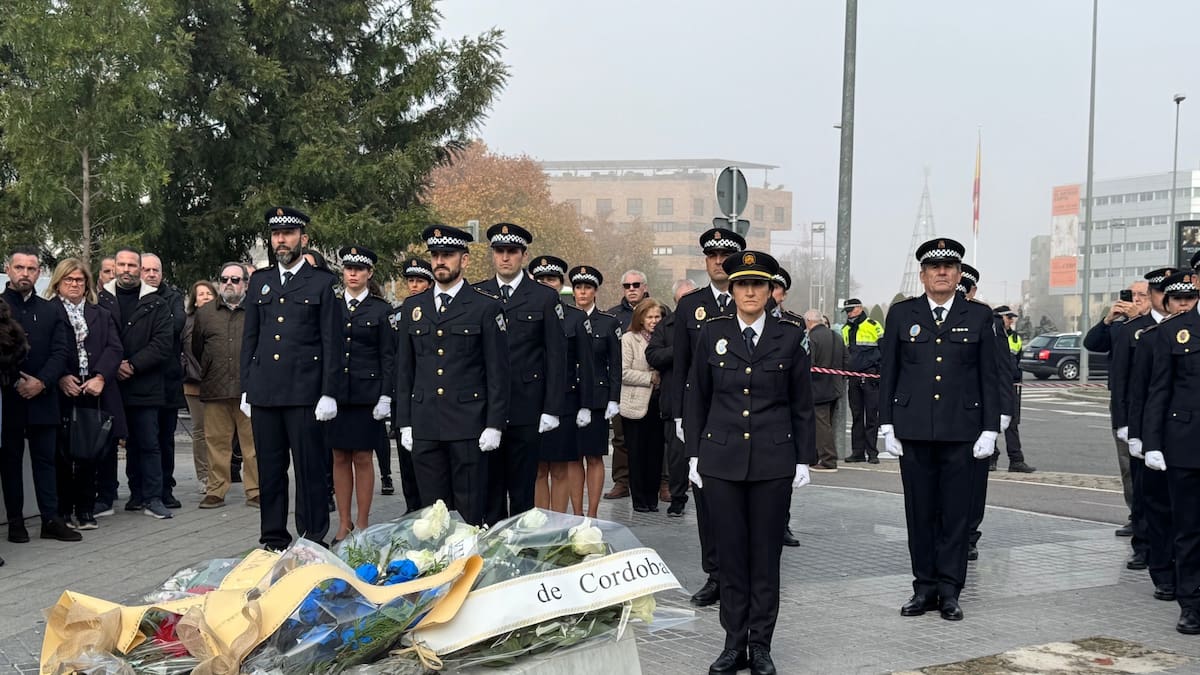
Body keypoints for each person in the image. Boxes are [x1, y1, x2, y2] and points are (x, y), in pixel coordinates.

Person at [684, 250, 815, 675]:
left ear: (771, 290)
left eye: (758, 284)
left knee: (764, 558)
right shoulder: (713, 333)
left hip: (772, 461)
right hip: (721, 460)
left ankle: (760, 645)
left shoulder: (790, 336)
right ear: (733, 289)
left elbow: (801, 403)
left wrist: (803, 459)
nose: (750, 291)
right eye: (743, 284)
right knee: (731, 558)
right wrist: (693, 454)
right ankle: (732, 643)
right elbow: (697, 396)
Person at [880, 237, 1000, 622]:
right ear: (923, 275)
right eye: (935, 267)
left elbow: (990, 377)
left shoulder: (980, 317)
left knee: (955, 516)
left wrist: (989, 429)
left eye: (949, 267)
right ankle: (924, 588)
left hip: (962, 431)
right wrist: (886, 424)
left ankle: (950, 591)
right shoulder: (901, 314)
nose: (942, 272)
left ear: (959, 274)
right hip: (913, 429)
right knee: (919, 514)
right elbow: (890, 373)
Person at [394, 225, 509, 526]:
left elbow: (497, 371)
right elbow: (405, 370)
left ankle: (469, 568)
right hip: (426, 422)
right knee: (432, 514)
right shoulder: (413, 307)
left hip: (468, 424)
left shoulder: (485, 306)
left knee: (470, 510)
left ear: (465, 260)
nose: (440, 261)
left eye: (448, 255)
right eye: (435, 255)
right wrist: (404, 422)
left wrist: (494, 424)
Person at [241, 207, 340, 549]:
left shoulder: (323, 283)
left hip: (305, 392)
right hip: (266, 391)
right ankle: (272, 537)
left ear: (303, 238)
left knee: (310, 469)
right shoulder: (260, 281)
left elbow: (332, 340)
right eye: (275, 235)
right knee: (270, 469)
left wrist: (329, 391)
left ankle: (312, 536)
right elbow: (250, 337)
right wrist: (246, 386)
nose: (281, 241)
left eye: (288, 234)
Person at [474, 223, 566, 524]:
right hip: (486, 408)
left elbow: (556, 356)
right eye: (499, 251)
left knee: (523, 489)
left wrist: (552, 408)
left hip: (526, 405)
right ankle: (491, 551)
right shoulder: (478, 294)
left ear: (523, 255)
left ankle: (521, 552)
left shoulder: (543, 297)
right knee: (489, 487)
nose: (505, 258)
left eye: (511, 251)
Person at [673, 227, 745, 608]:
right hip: (703, 419)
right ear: (705, 261)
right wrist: (680, 418)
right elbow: (681, 368)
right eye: (712, 256)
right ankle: (714, 574)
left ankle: (740, 575)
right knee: (705, 500)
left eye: (725, 257)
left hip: (743, 418)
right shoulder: (691, 306)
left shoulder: (751, 301)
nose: (718, 262)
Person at [1, 247, 78, 543]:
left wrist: (42, 382)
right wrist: (17, 380)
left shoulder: (50, 310)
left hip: (43, 398)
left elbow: (62, 351)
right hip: (8, 399)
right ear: (9, 270)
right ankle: (16, 522)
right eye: (19, 267)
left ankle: (50, 520)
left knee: (46, 461)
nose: (25, 274)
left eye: (31, 269)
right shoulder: (0, 306)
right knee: (10, 463)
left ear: (39, 273)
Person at [1140, 271, 1200, 634]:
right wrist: (1153, 443)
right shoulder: (1175, 330)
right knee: (1189, 529)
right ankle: (1191, 603)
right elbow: (1158, 390)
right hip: (1187, 444)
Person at [97, 248, 175, 520]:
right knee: (105, 444)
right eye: (122, 264)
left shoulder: (157, 302)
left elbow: (163, 343)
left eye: (133, 265)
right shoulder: (100, 299)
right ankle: (105, 498)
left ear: (140, 269)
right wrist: (112, 365)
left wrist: (132, 364)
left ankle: (150, 497)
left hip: (146, 383)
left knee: (147, 444)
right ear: (114, 267)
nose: (127, 269)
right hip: (109, 384)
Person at [47, 259, 125, 532]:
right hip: (62, 387)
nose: (74, 285)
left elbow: (115, 348)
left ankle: (85, 509)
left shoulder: (100, 313)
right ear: (58, 282)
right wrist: (59, 377)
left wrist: (101, 376)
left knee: (90, 452)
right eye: (68, 280)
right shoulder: (50, 311)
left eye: (79, 280)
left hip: (93, 387)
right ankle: (63, 510)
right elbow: (44, 350)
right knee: (62, 454)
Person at [327, 246, 395, 542]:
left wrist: (385, 396)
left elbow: (388, 356)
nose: (352, 274)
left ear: (369, 273)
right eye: (348, 268)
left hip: (368, 396)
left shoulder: (381, 310)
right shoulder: (332, 306)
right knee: (339, 456)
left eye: (359, 269)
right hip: (338, 396)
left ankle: (364, 522)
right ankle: (344, 523)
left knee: (364, 458)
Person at [1123, 270, 1178, 582]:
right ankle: (1151, 554)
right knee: (1150, 499)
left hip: (1184, 430)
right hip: (1151, 428)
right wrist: (1131, 429)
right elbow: (1133, 387)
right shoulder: (1142, 333)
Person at [191, 263, 259, 509]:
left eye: (235, 279)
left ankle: (255, 491)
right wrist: (210, 368)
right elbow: (197, 348)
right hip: (215, 388)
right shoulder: (205, 312)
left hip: (249, 390)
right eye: (224, 279)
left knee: (252, 445)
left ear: (245, 284)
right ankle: (215, 491)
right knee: (216, 443)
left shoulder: (256, 310)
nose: (229, 283)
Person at [529, 256, 593, 514]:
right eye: (541, 279)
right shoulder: (526, 314)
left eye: (551, 279)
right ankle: (538, 524)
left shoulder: (575, 318)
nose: (546, 284)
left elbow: (586, 365)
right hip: (531, 399)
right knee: (537, 468)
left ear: (560, 284)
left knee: (559, 467)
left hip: (565, 400)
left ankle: (558, 524)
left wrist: (586, 405)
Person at [1102, 278, 1156, 537]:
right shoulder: (1122, 326)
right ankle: (1136, 517)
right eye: (1132, 294)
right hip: (1127, 406)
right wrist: (1109, 319)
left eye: (1142, 295)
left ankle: (1152, 524)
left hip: (1155, 406)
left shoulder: (1160, 327)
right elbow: (1093, 343)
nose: (1135, 299)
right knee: (1129, 467)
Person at [570, 265, 621, 518]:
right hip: (570, 395)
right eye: (578, 287)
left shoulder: (609, 323)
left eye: (587, 287)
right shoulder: (565, 319)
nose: (582, 292)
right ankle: (576, 512)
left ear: (595, 291)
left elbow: (615, 363)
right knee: (572, 457)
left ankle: (592, 514)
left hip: (598, 398)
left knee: (593, 456)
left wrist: (614, 398)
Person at [386, 257, 435, 511]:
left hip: (427, 394)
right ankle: (411, 506)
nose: (414, 286)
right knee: (406, 458)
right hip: (403, 394)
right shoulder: (398, 315)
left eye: (420, 281)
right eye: (411, 281)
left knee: (425, 458)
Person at [645, 279, 697, 517]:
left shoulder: (709, 322)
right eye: (682, 299)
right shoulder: (666, 325)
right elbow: (653, 354)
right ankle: (678, 498)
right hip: (673, 399)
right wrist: (679, 350)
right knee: (676, 455)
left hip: (703, 398)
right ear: (676, 301)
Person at [140, 253, 187, 509]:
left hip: (167, 381)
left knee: (165, 440)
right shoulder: (133, 298)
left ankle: (165, 488)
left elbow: (175, 326)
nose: (150, 274)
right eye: (145, 269)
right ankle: (141, 490)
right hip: (141, 380)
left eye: (155, 270)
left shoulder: (173, 297)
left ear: (162, 273)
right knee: (143, 439)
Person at [604, 269, 649, 501]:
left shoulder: (658, 312)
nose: (631, 289)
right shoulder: (612, 316)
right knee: (620, 437)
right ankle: (622, 482)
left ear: (645, 287)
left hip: (652, 387)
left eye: (636, 284)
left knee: (654, 438)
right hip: (622, 386)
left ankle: (660, 482)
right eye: (627, 285)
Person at [620, 297, 665, 513]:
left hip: (658, 405)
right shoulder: (629, 339)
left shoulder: (665, 339)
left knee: (655, 454)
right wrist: (650, 378)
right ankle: (639, 500)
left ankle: (652, 499)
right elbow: (623, 372)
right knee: (637, 454)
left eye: (658, 317)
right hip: (635, 405)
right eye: (650, 317)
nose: (654, 321)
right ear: (641, 318)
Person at [0, 299, 29, 565]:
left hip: (7, 406)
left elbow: (18, 350)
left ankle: (16, 522)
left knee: (11, 466)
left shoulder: (10, 329)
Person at [182, 280, 217, 493]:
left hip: (219, 384)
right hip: (194, 384)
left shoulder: (222, 319)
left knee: (220, 432)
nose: (204, 296)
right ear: (194, 299)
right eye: (200, 294)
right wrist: (185, 368)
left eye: (208, 293)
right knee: (200, 431)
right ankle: (203, 476)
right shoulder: (186, 322)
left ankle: (218, 473)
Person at [991, 305, 1034, 473]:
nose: (1011, 320)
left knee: (1012, 423)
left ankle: (1016, 460)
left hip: (1011, 384)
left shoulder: (1015, 337)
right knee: (991, 421)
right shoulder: (991, 333)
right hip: (995, 384)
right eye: (1008, 317)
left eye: (1012, 318)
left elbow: (1017, 359)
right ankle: (991, 458)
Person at [841, 298, 883, 464]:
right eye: (847, 311)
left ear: (859, 308)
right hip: (854, 378)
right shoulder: (845, 329)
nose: (849, 314)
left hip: (871, 377)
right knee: (857, 415)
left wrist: (879, 373)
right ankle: (857, 452)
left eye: (851, 310)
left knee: (871, 416)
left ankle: (872, 453)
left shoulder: (873, 325)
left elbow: (884, 349)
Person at [805, 309, 845, 472]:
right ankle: (816, 456)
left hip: (817, 388)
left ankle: (828, 460)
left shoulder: (811, 338)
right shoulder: (836, 336)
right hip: (835, 387)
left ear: (808, 321)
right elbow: (847, 361)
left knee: (821, 426)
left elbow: (808, 363)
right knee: (826, 424)